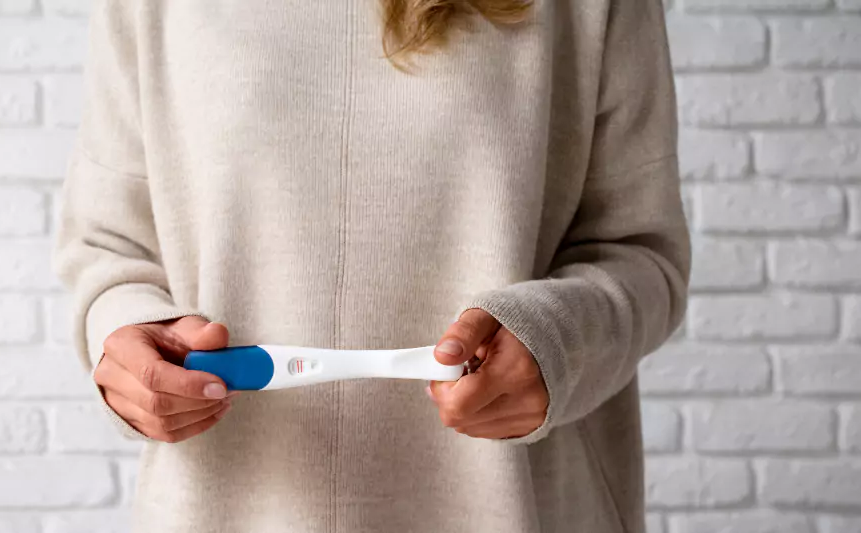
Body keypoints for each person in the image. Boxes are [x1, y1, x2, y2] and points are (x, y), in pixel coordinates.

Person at [53, 0, 690, 531]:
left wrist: (558, 340)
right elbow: (107, 246)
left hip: (516, 506)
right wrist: (130, 336)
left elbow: (641, 252)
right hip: (225, 508)